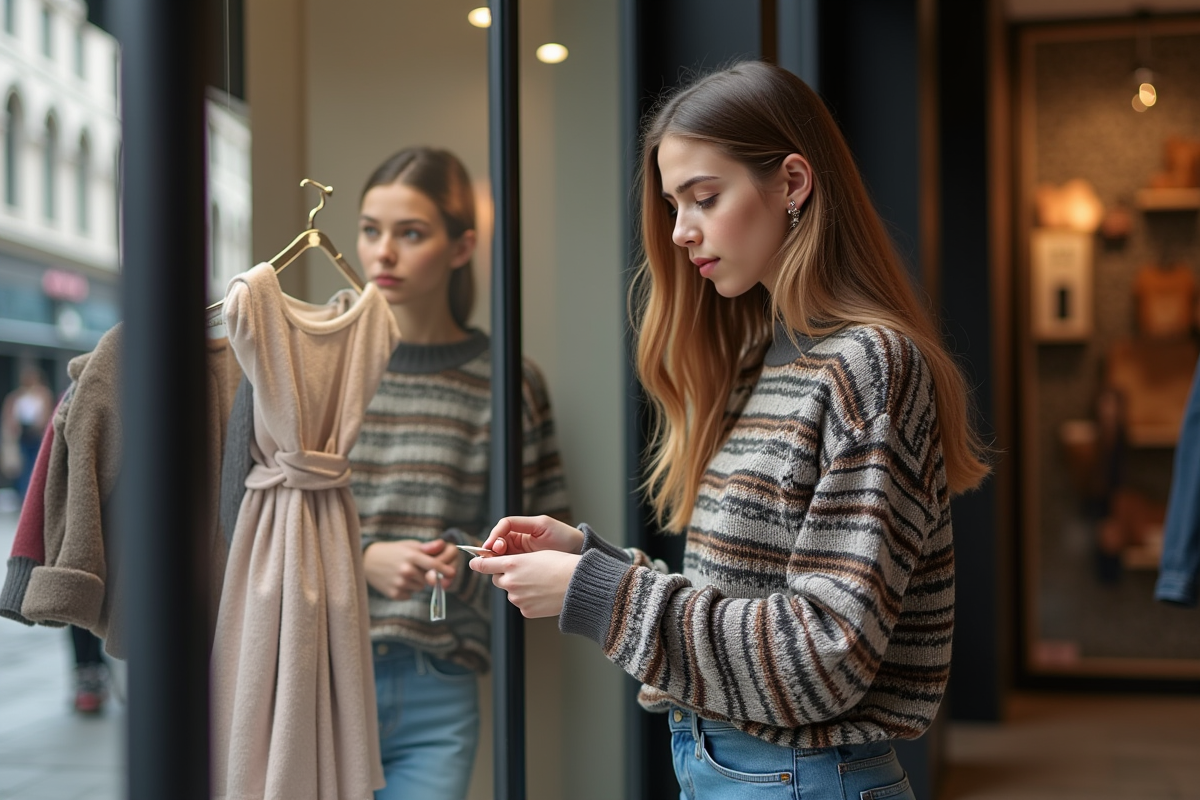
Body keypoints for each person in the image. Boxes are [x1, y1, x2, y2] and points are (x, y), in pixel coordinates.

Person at [470, 61, 989, 800]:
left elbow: (822, 656)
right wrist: (591, 558)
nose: (681, 232)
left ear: (793, 184)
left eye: (704, 199)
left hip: (801, 780)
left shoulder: (868, 366)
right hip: (727, 766)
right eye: (674, 205)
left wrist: (598, 591)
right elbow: (746, 599)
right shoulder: (760, 357)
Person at [348, 146, 570, 800]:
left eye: (409, 233)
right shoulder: (323, 369)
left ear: (461, 246)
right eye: (369, 230)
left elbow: (548, 546)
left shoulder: (509, 382)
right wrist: (363, 559)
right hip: (322, 671)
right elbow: (260, 529)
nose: (382, 252)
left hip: (438, 686)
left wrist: (468, 561)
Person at [0, 364, 54, 503]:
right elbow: (10, 414)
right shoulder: (17, 396)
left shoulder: (43, 394)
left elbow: (46, 415)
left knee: (35, 463)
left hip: (36, 435)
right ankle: (23, 495)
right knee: (22, 466)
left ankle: (33, 495)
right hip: (22, 434)